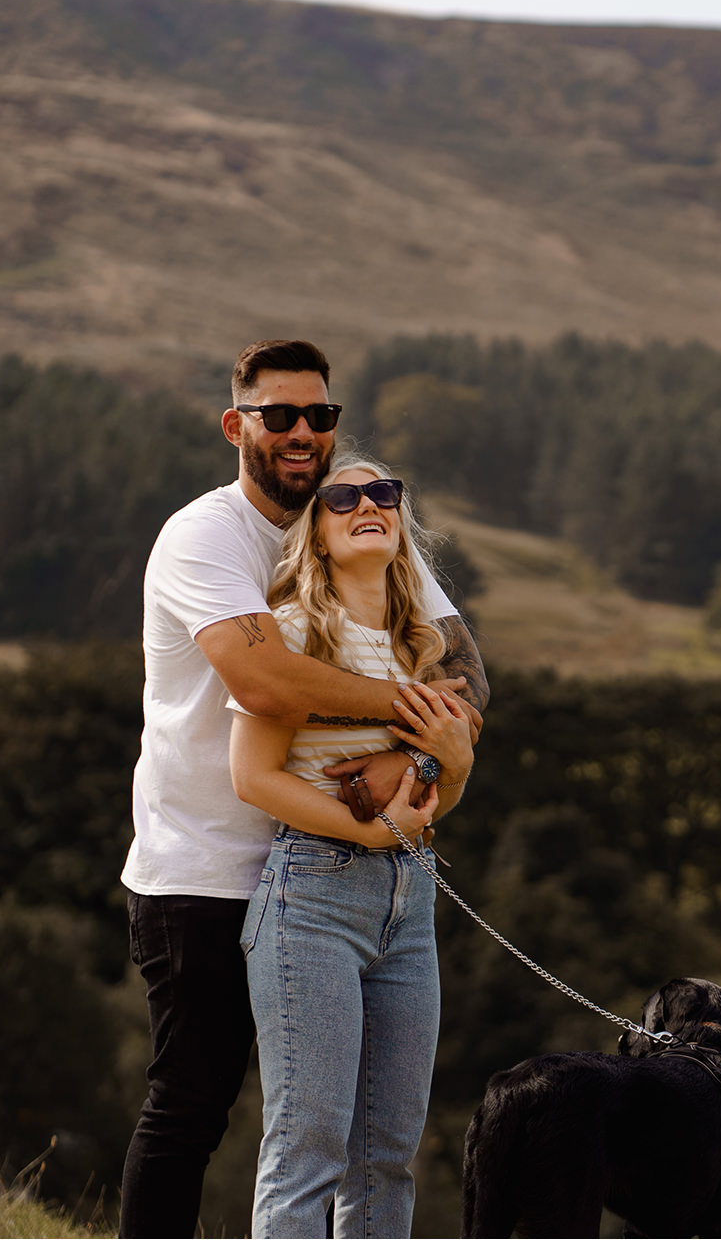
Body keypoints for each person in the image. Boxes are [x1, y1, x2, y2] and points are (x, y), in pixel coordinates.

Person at [118, 339, 487, 1238]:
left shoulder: (352, 518)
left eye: (318, 416)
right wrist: (413, 712)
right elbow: (267, 684)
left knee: (368, 1146)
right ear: (235, 424)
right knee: (197, 1112)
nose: (300, 433)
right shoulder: (204, 534)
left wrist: (413, 765)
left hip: (345, 874)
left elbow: (468, 684)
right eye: (277, 415)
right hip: (204, 871)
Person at [230, 454, 475, 1237]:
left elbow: (434, 805)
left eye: (384, 493)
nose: (367, 503)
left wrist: (458, 762)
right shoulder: (297, 631)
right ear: (318, 533)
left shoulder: (425, 651)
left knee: (389, 1155)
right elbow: (254, 777)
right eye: (343, 497)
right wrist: (365, 830)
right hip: (311, 896)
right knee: (309, 1150)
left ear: (401, 522)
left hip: (410, 901)